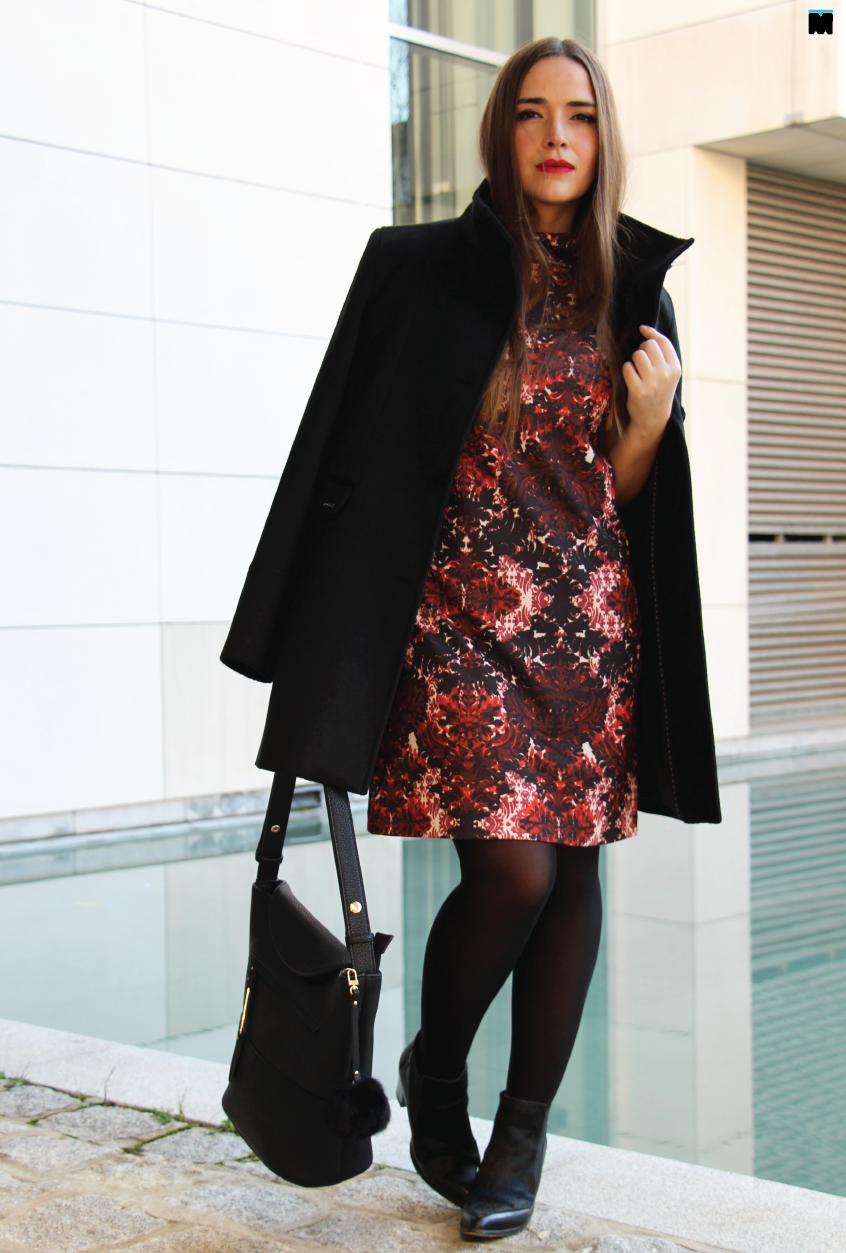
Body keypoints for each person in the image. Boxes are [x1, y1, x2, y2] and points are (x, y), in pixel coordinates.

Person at [221, 36, 720, 1244]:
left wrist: (652, 422)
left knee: (574, 868)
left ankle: (520, 1137)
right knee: (516, 871)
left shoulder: (635, 292)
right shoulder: (410, 269)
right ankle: (436, 1065)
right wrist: (299, 622)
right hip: (455, 619)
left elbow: (623, 489)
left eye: (580, 116)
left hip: (589, 625)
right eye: (533, 113)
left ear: (603, 140)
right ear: (502, 131)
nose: (557, 136)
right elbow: (336, 441)